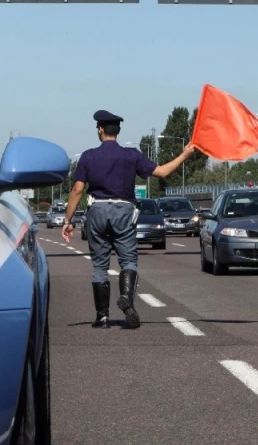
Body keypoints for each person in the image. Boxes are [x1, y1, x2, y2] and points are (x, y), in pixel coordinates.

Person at [61, 110, 196, 329]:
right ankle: (126, 296)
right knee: (128, 260)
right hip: (124, 210)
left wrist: (68, 221)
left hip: (97, 210)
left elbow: (77, 190)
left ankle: (102, 317)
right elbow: (161, 172)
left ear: (100, 130)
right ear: (119, 131)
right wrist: (184, 155)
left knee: (99, 266)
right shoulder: (131, 155)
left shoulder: (88, 156)